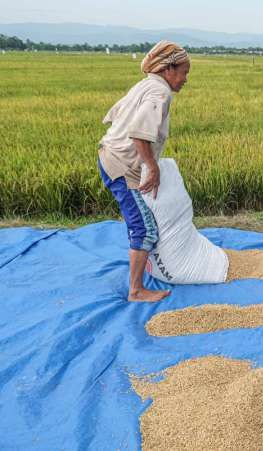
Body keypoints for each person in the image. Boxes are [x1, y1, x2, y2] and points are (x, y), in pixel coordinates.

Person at [97, 40, 190, 302]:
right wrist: (152, 168)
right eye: (183, 73)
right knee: (145, 228)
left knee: (145, 219)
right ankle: (136, 290)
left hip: (114, 157)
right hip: (120, 166)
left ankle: (143, 268)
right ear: (168, 69)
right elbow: (139, 135)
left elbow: (116, 115)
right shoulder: (160, 92)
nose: (185, 79)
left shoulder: (147, 84)